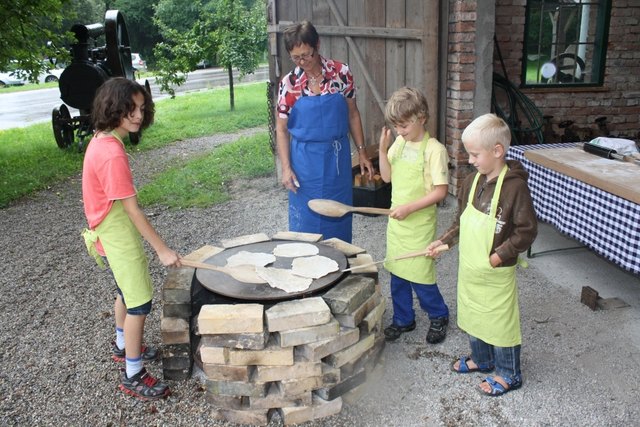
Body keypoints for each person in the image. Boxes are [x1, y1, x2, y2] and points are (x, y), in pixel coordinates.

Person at [81, 77, 181, 400]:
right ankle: (133, 373)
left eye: (141, 108)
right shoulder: (112, 154)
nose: (138, 115)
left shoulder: (102, 140)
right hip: (117, 236)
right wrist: (163, 250)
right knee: (139, 303)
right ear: (113, 108)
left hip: (108, 234)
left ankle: (123, 345)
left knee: (124, 292)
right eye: (130, 109)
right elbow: (134, 211)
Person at [426, 113, 538, 396]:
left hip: (495, 270)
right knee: (474, 314)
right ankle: (483, 359)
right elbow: (460, 221)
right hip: (471, 268)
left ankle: (509, 373)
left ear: (497, 151)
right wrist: (444, 242)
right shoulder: (471, 182)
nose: (470, 160)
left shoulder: (515, 188)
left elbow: (526, 231)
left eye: (475, 154)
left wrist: (500, 255)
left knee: (500, 323)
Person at [276, 20, 374, 243]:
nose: (303, 61)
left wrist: (362, 152)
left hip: (336, 163)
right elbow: (281, 129)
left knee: (337, 216)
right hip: (303, 165)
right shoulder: (289, 83)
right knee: (306, 226)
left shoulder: (341, 73)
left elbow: (353, 114)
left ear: (317, 45)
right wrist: (286, 168)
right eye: (296, 58)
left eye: (307, 54)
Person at [378, 87, 450, 344]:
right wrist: (382, 149)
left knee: (420, 275)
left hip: (419, 224)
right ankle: (403, 319)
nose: (400, 131)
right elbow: (386, 177)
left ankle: (439, 315)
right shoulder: (399, 143)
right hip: (397, 224)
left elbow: (441, 192)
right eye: (396, 126)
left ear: (421, 117)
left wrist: (409, 208)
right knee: (397, 273)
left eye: (404, 125)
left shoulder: (434, 150)